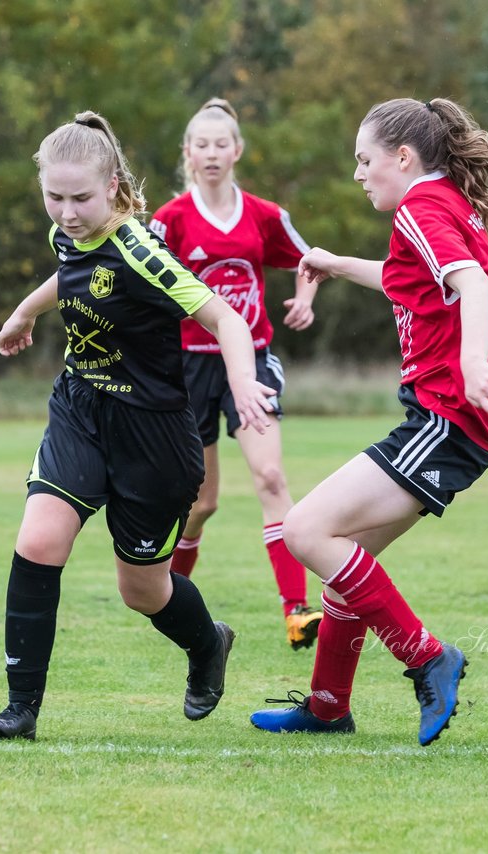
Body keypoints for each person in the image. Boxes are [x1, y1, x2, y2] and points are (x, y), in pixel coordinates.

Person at [0, 110, 276, 742]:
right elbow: (69, 272)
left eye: (80, 197)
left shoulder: (140, 250)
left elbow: (224, 318)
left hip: (153, 436)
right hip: (80, 410)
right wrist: (23, 314)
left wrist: (245, 382)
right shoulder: (71, 232)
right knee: (38, 543)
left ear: (112, 185)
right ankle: (20, 710)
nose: (65, 212)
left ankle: (207, 645)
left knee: (143, 591)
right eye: (53, 197)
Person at [249, 96, 488, 745]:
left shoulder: (422, 209)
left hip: (447, 417)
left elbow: (475, 288)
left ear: (402, 157)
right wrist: (337, 264)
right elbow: (415, 283)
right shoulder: (440, 206)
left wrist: (473, 362)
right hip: (451, 421)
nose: (358, 173)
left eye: (364, 160)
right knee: (351, 558)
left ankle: (428, 657)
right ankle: (327, 706)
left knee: (307, 530)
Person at [148, 98, 324, 651]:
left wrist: (304, 299)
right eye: (201, 144)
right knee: (201, 504)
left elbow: (309, 259)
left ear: (237, 151)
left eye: (221, 144)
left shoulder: (263, 215)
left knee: (271, 479)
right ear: (188, 154)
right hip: (189, 369)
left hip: (251, 363)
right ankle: (171, 602)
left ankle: (297, 612)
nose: (212, 153)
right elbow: (143, 282)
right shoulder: (171, 220)